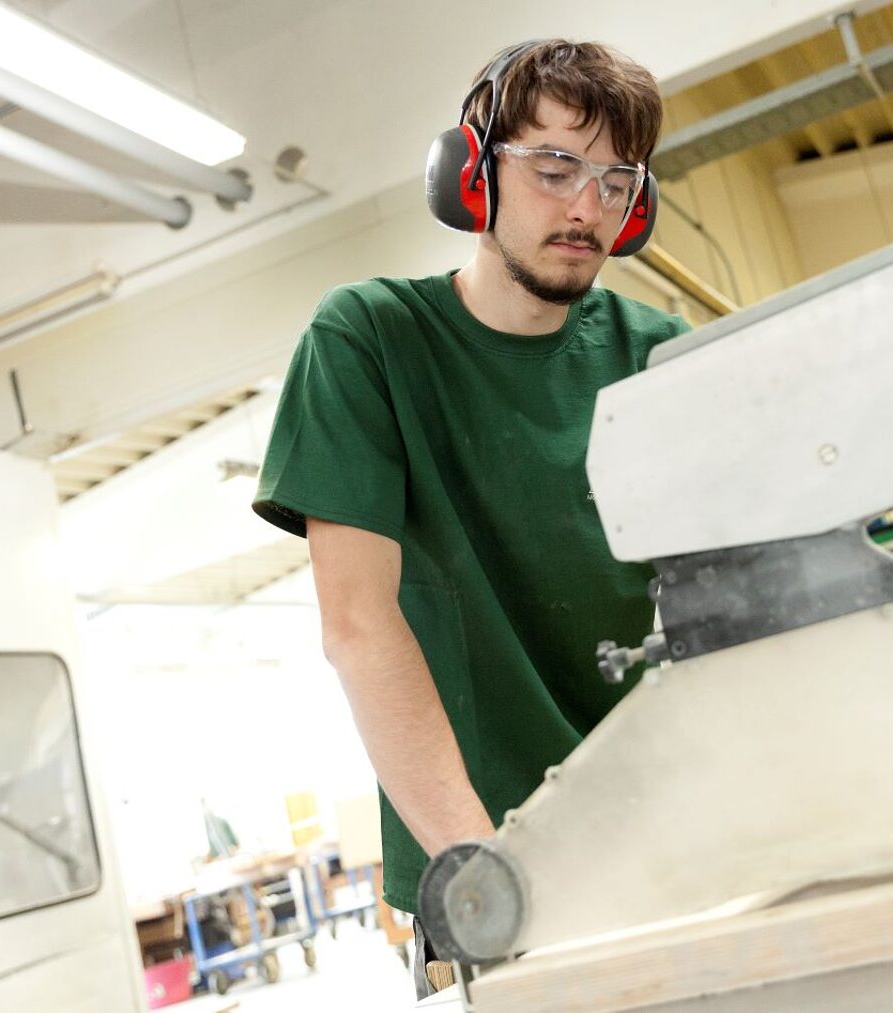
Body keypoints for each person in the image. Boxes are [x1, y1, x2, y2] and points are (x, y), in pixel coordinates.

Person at [252, 39, 686, 995]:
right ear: (471, 174)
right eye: (555, 168)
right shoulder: (369, 340)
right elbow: (358, 623)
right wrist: (493, 883)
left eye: (617, 181)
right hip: (484, 872)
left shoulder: (661, 357)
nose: (588, 208)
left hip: (659, 845)